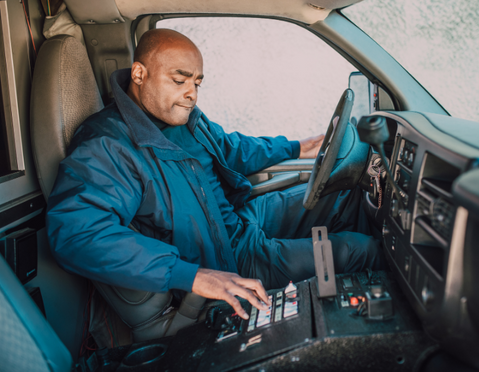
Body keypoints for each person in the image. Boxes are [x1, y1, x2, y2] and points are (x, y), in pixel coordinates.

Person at [46, 29, 383, 319]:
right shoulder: (107, 145)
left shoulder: (184, 116)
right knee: (360, 250)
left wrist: (298, 147)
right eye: (179, 81)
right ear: (139, 74)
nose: (191, 93)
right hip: (226, 259)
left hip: (238, 221)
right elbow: (76, 233)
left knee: (344, 196)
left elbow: (230, 149)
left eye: (197, 82)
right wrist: (192, 276)